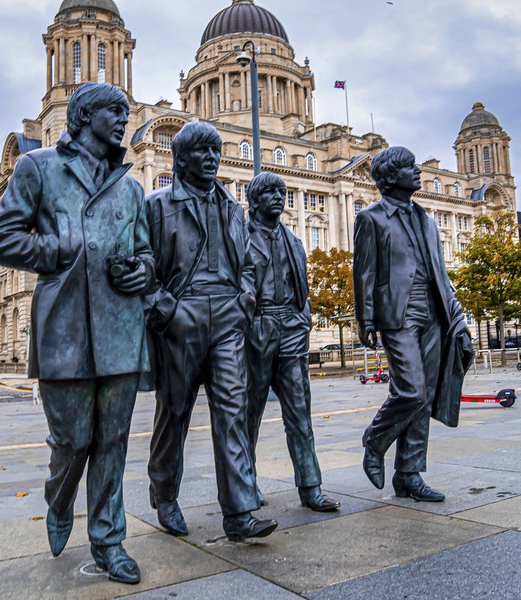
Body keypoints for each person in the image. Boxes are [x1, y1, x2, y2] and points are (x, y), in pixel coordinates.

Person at [0, 82, 153, 584]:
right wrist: (53, 251)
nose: (123, 120)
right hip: (64, 326)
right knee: (73, 440)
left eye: (125, 112)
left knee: (113, 442)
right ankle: (58, 500)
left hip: (122, 327)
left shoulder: (131, 187)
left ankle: (109, 540)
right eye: (112, 111)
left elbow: (145, 253)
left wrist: (141, 272)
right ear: (83, 115)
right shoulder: (39, 167)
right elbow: (0, 237)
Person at [144, 121, 277, 542]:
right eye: (202, 151)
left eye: (216, 150)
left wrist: (245, 302)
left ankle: (238, 513)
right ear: (181, 158)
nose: (212, 158)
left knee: (233, 412)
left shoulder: (233, 208)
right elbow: (141, 268)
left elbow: (248, 266)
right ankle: (165, 496)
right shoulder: (157, 205)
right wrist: (166, 311)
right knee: (174, 415)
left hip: (227, 317)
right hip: (181, 319)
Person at [353, 146, 473, 502]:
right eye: (409, 166)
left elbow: (441, 272)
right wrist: (366, 317)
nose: (417, 171)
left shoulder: (426, 219)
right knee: (411, 391)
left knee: (425, 397)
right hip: (398, 313)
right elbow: (364, 272)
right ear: (390, 177)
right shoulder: (371, 218)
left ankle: (409, 473)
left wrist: (457, 314)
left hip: (434, 312)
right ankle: (375, 440)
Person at [244, 172, 340, 513]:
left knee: (300, 413)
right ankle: (246, 485)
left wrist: (304, 319)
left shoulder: (295, 241)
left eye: (280, 191)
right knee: (248, 414)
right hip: (255, 330)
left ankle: (310, 486)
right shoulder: (240, 237)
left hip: (291, 329)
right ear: (254, 199)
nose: (277, 197)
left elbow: (303, 288)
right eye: (268, 192)